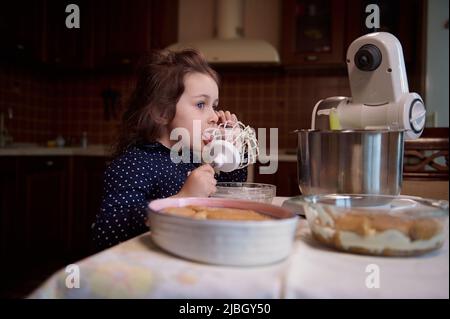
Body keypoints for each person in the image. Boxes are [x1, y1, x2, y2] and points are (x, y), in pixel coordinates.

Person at [92, 49, 247, 249]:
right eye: (201, 104)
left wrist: (232, 148)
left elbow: (229, 189)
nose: (215, 116)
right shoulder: (136, 162)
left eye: (214, 106)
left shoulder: (189, 156)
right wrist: (181, 199)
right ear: (161, 112)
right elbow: (108, 230)